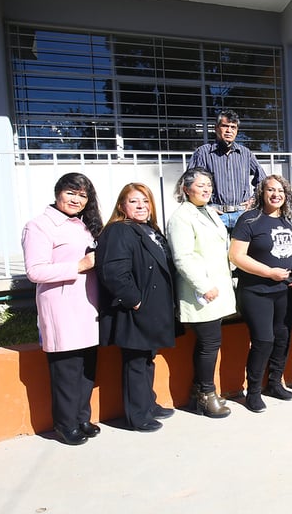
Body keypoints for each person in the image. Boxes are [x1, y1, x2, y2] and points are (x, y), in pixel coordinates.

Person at [22, 173, 104, 445]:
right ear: (58, 193)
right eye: (71, 192)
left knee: (86, 368)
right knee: (66, 370)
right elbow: (35, 271)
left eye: (82, 195)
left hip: (88, 305)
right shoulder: (40, 226)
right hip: (61, 307)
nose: (76, 199)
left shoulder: (85, 225)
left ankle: (82, 417)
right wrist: (78, 266)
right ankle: (64, 424)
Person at [97, 183, 178, 432]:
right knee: (135, 361)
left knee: (147, 358)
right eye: (134, 201)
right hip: (134, 308)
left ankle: (148, 404)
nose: (141, 206)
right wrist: (135, 300)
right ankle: (137, 416)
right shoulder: (119, 231)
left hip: (153, 307)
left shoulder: (148, 229)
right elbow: (113, 272)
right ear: (122, 206)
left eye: (145, 201)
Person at [167, 167, 235, 418]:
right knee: (209, 344)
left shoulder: (208, 211)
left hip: (217, 289)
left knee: (210, 343)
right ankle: (206, 395)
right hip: (201, 292)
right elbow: (182, 257)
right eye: (200, 185)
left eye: (209, 185)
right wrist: (204, 287)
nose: (206, 189)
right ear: (186, 189)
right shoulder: (181, 217)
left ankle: (201, 391)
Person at [229, 175, 292, 412]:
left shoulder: (289, 220)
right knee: (263, 340)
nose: (276, 194)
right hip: (256, 291)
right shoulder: (249, 219)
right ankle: (254, 391)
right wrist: (269, 272)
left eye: (280, 190)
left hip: (283, 291)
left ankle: (274, 383)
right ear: (262, 193)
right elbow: (236, 256)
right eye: (270, 190)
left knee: (282, 337)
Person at [188, 110, 265, 230]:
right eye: (225, 126)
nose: (229, 130)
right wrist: (204, 207)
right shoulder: (203, 153)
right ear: (216, 128)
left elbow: (262, 180)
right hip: (214, 213)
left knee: (241, 249)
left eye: (233, 127)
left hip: (242, 214)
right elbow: (190, 183)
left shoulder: (245, 153)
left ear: (237, 130)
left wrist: (254, 200)